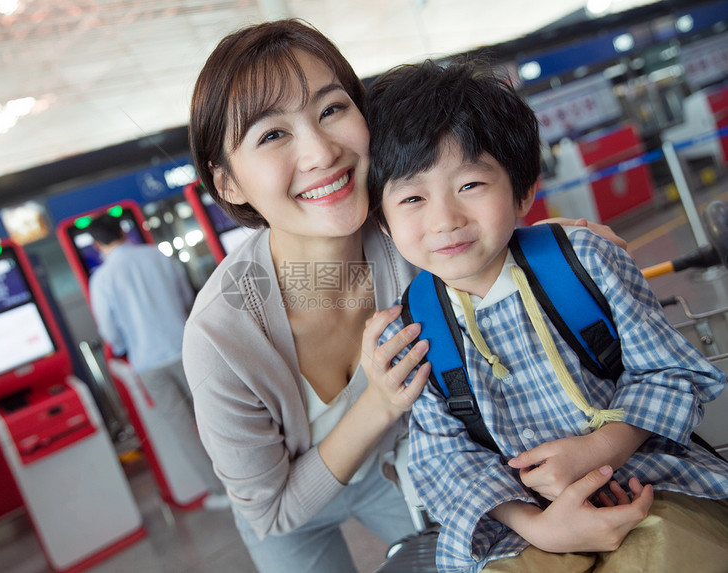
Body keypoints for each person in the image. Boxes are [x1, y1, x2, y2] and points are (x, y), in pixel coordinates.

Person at [183, 19, 627, 573]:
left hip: (403, 467)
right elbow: (272, 512)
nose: (321, 152)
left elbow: (472, 233)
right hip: (291, 506)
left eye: (331, 109)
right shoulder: (222, 336)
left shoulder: (405, 234)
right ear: (227, 183)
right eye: (272, 135)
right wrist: (380, 403)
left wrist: (560, 243)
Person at [365, 59, 728, 572]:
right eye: (413, 198)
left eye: (470, 185)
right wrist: (536, 525)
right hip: (519, 531)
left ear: (523, 190)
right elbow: (445, 460)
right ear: (384, 221)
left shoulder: (583, 260)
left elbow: (671, 371)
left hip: (647, 480)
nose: (445, 219)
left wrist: (601, 448)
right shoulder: (415, 325)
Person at [87, 212, 227, 507]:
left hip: (149, 363)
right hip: (187, 347)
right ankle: (246, 474)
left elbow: (110, 331)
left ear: (97, 245)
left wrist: (124, 345)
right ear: (125, 232)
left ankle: (219, 492)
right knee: (219, 414)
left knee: (184, 429)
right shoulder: (157, 255)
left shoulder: (101, 279)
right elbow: (187, 298)